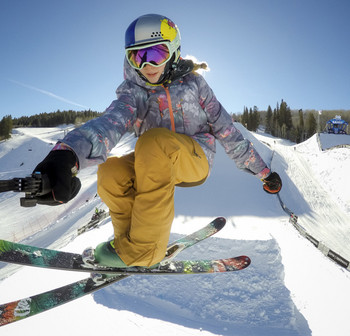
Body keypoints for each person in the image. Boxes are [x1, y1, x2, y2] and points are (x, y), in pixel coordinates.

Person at [33, 14, 282, 268]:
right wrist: (68, 154)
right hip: (154, 163)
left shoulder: (195, 84)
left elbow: (226, 129)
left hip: (195, 159)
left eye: (156, 54)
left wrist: (263, 172)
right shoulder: (136, 90)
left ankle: (145, 251)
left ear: (174, 51)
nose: (147, 65)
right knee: (111, 171)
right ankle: (127, 244)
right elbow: (112, 120)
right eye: (137, 57)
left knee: (153, 142)